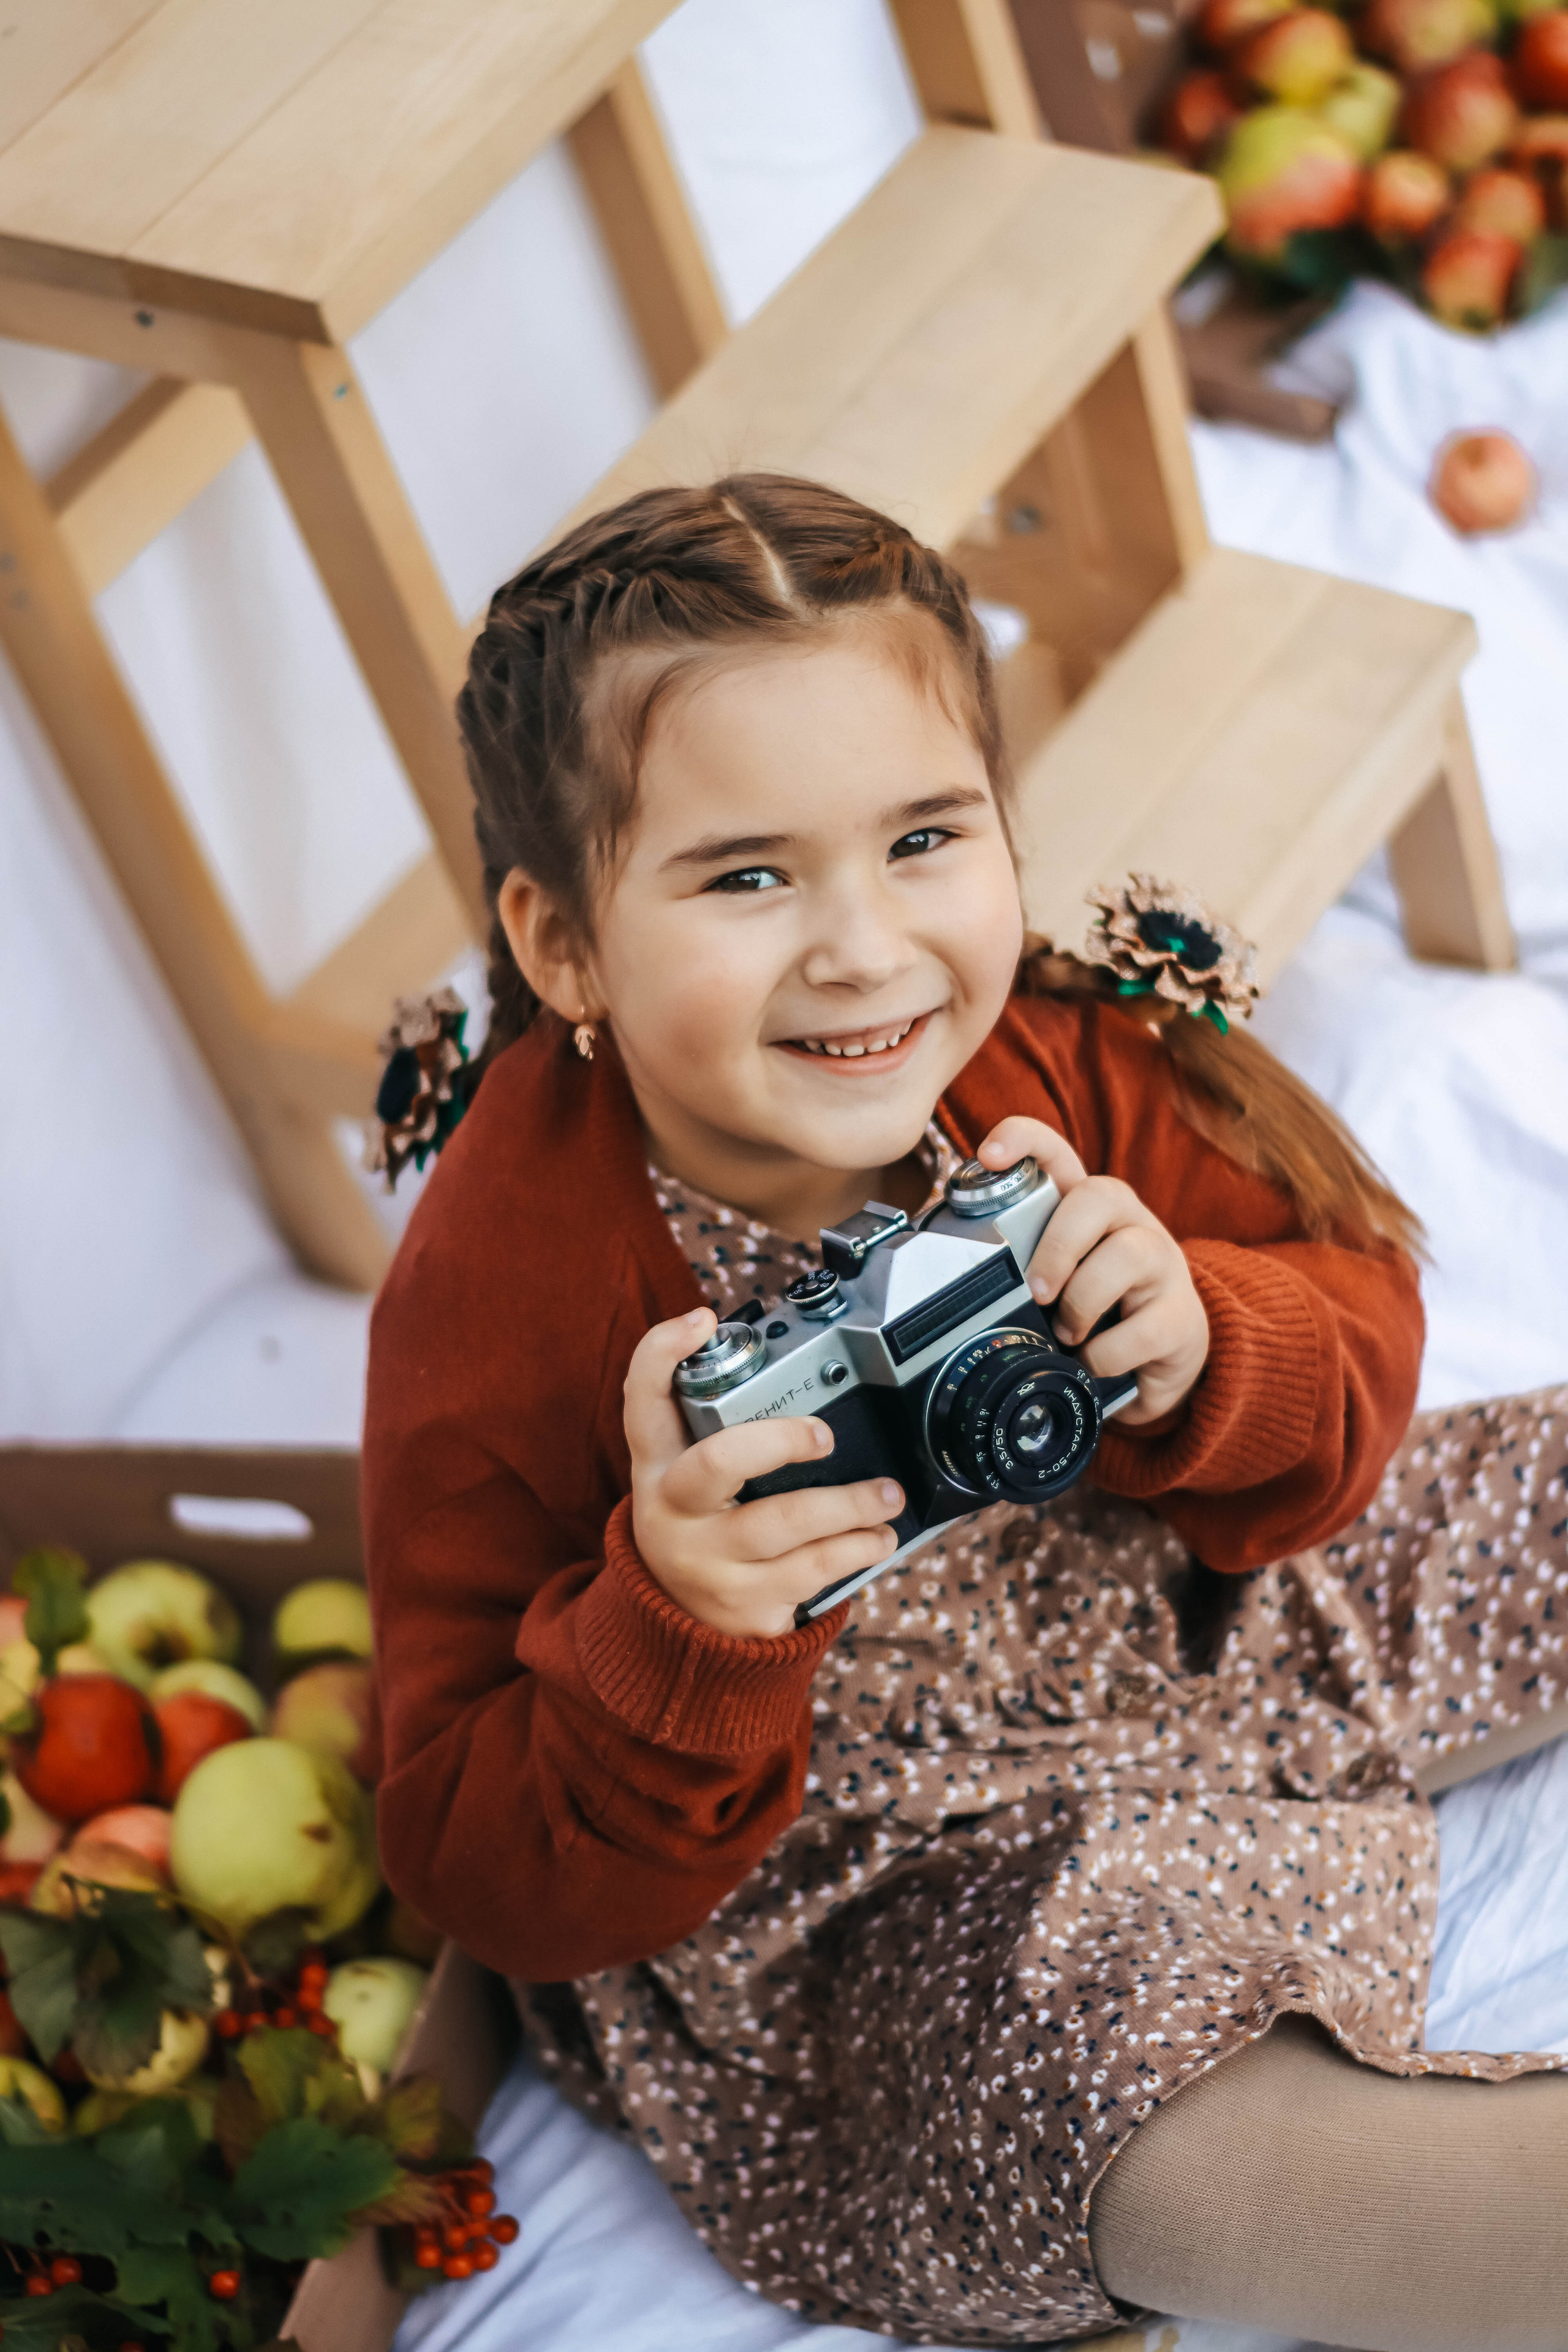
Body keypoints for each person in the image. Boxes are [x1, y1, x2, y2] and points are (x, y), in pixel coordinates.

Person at [362, 475, 1568, 2351]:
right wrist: (679, 1617)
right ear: (564, 943)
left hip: (1177, 1617)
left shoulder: (1057, 1054)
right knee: (1085, 2090)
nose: (863, 946)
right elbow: (467, 1857)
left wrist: (1204, 1342)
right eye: (746, 875)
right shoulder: (498, 1285)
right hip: (872, 1879)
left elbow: (1364, 1329)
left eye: (926, 838)